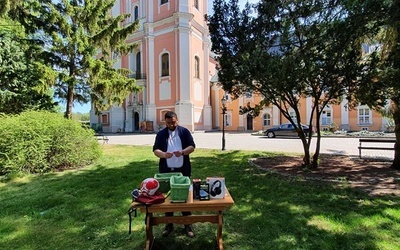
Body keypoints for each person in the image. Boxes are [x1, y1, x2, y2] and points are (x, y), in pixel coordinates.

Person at [153, 111, 196, 238]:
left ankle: (187, 224)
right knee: (167, 199)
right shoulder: (161, 134)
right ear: (165, 122)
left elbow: (192, 147)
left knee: (184, 198)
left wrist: (182, 152)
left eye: (173, 122)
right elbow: (155, 150)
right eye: (168, 123)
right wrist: (164, 155)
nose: (171, 125)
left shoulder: (184, 132)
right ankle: (168, 224)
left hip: (183, 170)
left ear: (177, 120)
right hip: (166, 170)